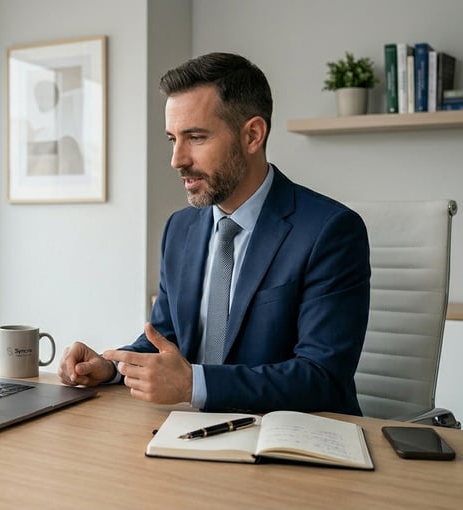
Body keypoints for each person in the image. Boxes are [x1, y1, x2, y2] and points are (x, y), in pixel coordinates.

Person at [57, 53, 371, 415]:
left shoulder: (330, 231)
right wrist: (111, 367)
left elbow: (322, 378)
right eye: (172, 139)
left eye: (195, 137)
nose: (177, 159)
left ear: (252, 135)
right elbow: (166, 339)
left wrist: (193, 385)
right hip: (190, 433)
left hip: (290, 442)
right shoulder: (180, 228)